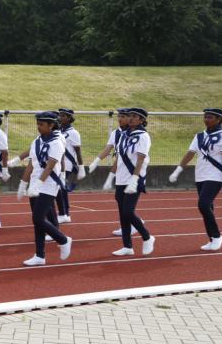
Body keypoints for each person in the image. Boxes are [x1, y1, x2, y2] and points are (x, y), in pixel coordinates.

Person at [169, 108, 222, 251]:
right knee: (207, 207)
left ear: (219, 119)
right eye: (205, 117)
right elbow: (190, 154)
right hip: (200, 176)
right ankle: (212, 239)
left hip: (215, 176)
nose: (206, 119)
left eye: (210, 117)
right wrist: (178, 170)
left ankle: (217, 236)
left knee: (203, 205)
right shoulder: (199, 136)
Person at [16, 111, 73, 266]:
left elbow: (49, 167)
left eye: (41, 124)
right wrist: (23, 183)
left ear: (51, 125)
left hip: (48, 185)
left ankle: (63, 240)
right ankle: (40, 255)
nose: (38, 127)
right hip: (35, 182)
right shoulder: (37, 141)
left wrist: (38, 185)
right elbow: (31, 164)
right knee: (38, 222)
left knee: (38, 218)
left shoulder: (57, 143)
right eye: (38, 124)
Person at [111, 107, 155, 256]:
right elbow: (119, 157)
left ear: (142, 120)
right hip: (121, 178)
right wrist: (112, 175)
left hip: (133, 178)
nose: (130, 118)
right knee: (122, 214)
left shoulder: (143, 136)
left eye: (135, 116)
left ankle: (147, 237)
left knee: (128, 211)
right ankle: (127, 246)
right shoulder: (123, 135)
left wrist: (135, 179)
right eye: (129, 115)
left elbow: (141, 158)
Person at [87, 109, 139, 237]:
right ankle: (127, 226)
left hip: (131, 171)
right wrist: (96, 161)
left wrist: (110, 178)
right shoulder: (116, 133)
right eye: (119, 116)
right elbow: (108, 148)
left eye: (123, 116)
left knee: (126, 203)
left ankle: (136, 225)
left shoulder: (133, 134)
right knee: (119, 199)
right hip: (120, 169)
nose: (120, 119)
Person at [55, 108, 85, 224]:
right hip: (58, 164)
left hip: (67, 165)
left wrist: (81, 168)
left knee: (61, 190)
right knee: (60, 190)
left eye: (63, 116)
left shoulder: (74, 133)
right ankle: (64, 214)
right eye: (60, 115)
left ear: (69, 118)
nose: (60, 117)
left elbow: (78, 152)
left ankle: (64, 213)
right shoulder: (58, 131)